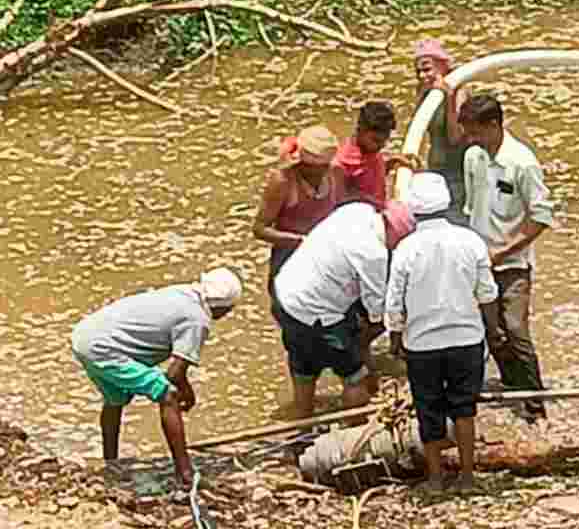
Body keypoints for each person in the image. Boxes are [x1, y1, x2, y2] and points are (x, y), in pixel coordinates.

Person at [71, 268, 242, 487]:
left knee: (115, 399)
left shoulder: (183, 293)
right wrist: (188, 393)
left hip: (85, 336)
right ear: (222, 307)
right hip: (102, 348)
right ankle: (185, 473)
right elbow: (174, 374)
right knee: (168, 395)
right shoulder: (197, 319)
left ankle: (111, 463)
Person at [384, 172, 500, 494]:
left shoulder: (406, 249)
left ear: (413, 210)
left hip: (422, 344)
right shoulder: (470, 241)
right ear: (446, 204)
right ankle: (467, 477)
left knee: (429, 411)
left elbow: (394, 301)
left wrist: (395, 338)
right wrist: (493, 332)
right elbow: (487, 293)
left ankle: (435, 480)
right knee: (464, 409)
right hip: (466, 340)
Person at [272, 174, 415, 418]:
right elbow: (376, 310)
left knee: (303, 364)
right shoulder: (374, 254)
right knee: (355, 376)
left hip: (286, 295)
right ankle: (355, 428)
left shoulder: (356, 211)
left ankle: (301, 416)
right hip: (317, 314)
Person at [458, 93, 555, 423]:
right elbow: (471, 209)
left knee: (515, 329)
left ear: (494, 125)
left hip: (512, 264)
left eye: (475, 132)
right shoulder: (473, 157)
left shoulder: (522, 163)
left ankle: (536, 406)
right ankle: (513, 386)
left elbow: (541, 217)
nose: (471, 139)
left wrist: (502, 252)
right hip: (480, 263)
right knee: (491, 331)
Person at [252, 124, 338, 314]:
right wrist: (300, 241)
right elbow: (260, 229)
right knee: (288, 313)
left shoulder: (335, 173)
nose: (322, 170)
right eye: (316, 167)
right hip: (289, 259)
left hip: (324, 258)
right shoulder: (282, 182)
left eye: (325, 165)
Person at [412, 39, 470, 224]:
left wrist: (449, 99)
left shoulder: (459, 92)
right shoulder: (425, 90)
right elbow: (419, 129)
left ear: (443, 67)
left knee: (455, 220)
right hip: (435, 167)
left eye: (427, 69)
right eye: (418, 71)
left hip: (457, 171)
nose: (422, 76)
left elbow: (455, 137)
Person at [330, 101, 411, 206]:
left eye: (385, 140)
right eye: (376, 140)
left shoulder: (371, 150)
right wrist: (370, 201)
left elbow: (368, 179)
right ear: (361, 130)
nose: (382, 145)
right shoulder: (341, 164)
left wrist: (389, 164)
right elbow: (339, 201)